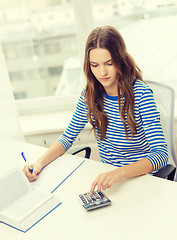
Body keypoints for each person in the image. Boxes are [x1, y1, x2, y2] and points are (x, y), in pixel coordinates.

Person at [23, 25, 168, 195]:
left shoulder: (141, 95)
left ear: (120, 60)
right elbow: (67, 138)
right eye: (95, 65)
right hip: (109, 181)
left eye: (109, 63)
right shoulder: (91, 94)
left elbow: (161, 154)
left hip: (139, 179)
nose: (102, 72)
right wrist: (38, 164)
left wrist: (120, 172)